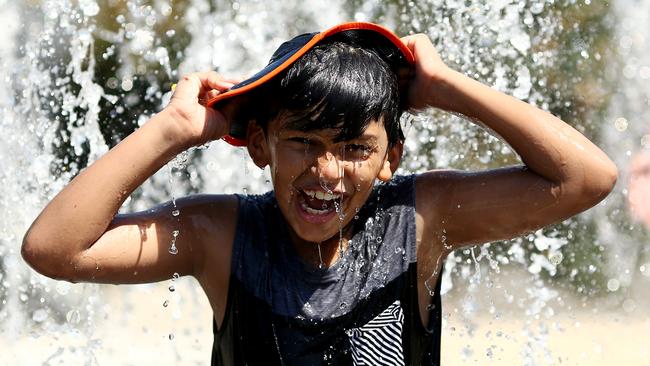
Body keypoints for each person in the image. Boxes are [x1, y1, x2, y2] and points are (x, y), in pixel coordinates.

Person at [21, 22, 617, 365]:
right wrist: (170, 132)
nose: (326, 171)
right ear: (260, 146)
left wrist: (448, 89)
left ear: (391, 159)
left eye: (355, 148)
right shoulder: (220, 236)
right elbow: (55, 249)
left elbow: (587, 179)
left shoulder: (420, 217)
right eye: (302, 141)